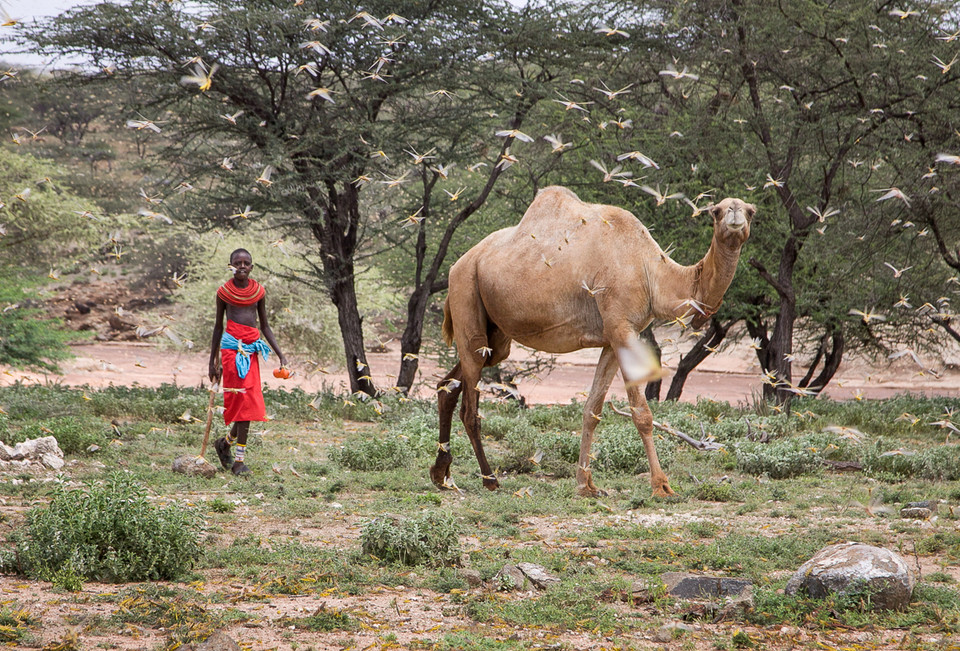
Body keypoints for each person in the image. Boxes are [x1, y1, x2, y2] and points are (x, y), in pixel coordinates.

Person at [208, 248, 288, 475]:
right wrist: (212, 361)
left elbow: (265, 326)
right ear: (231, 266)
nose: (241, 266)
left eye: (246, 263)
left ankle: (225, 444)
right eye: (237, 263)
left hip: (252, 350)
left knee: (250, 405)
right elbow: (218, 327)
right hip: (232, 351)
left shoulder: (259, 292)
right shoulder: (223, 293)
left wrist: (281, 354)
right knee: (242, 406)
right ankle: (239, 462)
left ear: (251, 267)